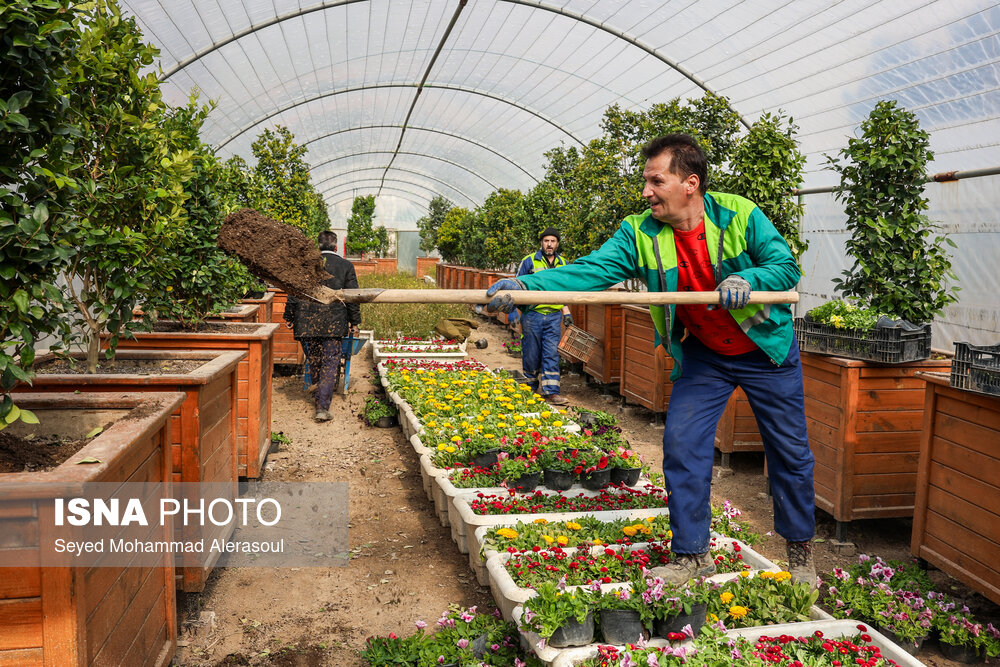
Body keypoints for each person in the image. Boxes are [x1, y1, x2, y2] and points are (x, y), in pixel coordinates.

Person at [486, 134, 817, 586]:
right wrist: (528, 287)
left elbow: (786, 267)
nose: (646, 192)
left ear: (690, 183)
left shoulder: (739, 214)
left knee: (790, 452)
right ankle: (693, 556)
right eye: (645, 181)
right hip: (704, 355)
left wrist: (749, 276)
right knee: (682, 445)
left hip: (766, 353)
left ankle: (799, 553)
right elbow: (594, 269)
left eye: (655, 181)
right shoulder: (640, 232)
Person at [284, 231, 361, 422]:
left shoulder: (305, 265)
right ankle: (322, 406)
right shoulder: (345, 266)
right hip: (333, 323)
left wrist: (289, 315)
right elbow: (353, 297)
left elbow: (294, 292)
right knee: (330, 362)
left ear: (318, 247)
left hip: (307, 322)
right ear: (336, 248)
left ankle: (319, 394)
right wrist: (355, 322)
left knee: (315, 359)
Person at [510, 227, 573, 406]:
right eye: (546, 241)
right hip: (533, 315)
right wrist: (513, 309)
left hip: (553, 316)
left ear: (557, 243)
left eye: (553, 241)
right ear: (541, 243)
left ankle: (551, 392)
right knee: (531, 352)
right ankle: (529, 388)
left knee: (551, 353)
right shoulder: (529, 261)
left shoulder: (564, 263)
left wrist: (566, 312)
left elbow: (565, 291)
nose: (549, 244)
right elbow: (516, 285)